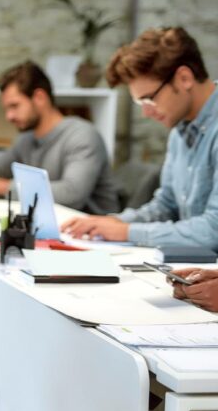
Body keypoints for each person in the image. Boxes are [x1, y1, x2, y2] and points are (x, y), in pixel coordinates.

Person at [61, 27, 218, 248]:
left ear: (184, 78)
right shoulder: (179, 130)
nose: (146, 112)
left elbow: (213, 231)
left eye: (149, 99)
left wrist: (126, 232)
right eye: (140, 103)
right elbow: (166, 206)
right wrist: (112, 222)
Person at [0, 61, 121, 214]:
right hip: (49, 230)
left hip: (94, 235)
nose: (9, 116)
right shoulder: (26, 139)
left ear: (39, 97)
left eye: (15, 106)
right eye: (6, 109)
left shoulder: (82, 136)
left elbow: (71, 195)